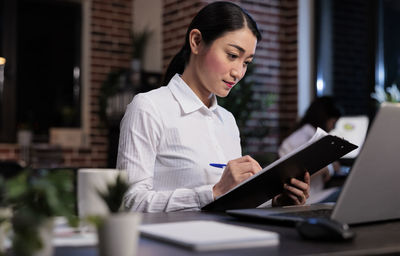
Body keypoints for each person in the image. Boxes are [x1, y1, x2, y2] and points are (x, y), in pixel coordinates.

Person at [117, 1, 310, 212]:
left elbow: (233, 202)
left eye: (246, 62)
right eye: (232, 55)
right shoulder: (149, 108)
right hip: (172, 243)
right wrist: (214, 192)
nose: (238, 72)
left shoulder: (227, 120)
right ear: (196, 41)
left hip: (225, 240)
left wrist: (276, 204)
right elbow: (129, 202)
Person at [278, 96, 342, 203]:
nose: (333, 127)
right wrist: (327, 167)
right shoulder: (309, 138)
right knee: (343, 193)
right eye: (333, 122)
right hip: (307, 197)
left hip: (305, 196)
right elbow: (294, 175)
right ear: (326, 119)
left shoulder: (301, 133)